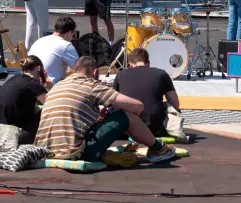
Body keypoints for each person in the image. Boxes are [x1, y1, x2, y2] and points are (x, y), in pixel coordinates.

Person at [35, 56, 176, 163]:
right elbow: (138, 106)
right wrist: (131, 118)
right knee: (126, 115)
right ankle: (159, 148)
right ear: (95, 72)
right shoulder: (91, 84)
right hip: (74, 153)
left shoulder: (58, 86)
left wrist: (98, 117)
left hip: (45, 152)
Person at [114, 48, 180, 136]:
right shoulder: (161, 74)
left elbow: (114, 102)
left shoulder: (120, 75)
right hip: (154, 129)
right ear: (148, 63)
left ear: (130, 64)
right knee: (169, 107)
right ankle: (173, 131)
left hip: (126, 129)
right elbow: (175, 103)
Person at [0, 55, 52, 144]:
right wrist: (50, 87)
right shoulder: (33, 85)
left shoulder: (14, 78)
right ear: (39, 68)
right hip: (8, 133)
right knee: (45, 113)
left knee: (36, 110)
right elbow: (51, 105)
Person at [27, 17, 79, 84]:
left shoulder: (39, 41)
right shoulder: (66, 45)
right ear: (68, 33)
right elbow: (80, 69)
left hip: (29, 84)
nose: (72, 37)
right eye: (73, 34)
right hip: (49, 88)